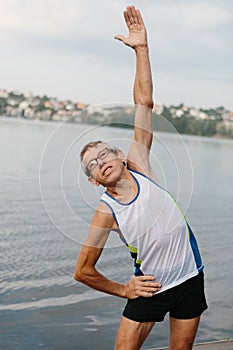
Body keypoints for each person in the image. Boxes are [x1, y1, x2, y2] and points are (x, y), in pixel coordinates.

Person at [73, 6, 207, 350]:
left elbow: (144, 102)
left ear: (120, 155)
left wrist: (142, 49)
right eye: (92, 165)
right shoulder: (107, 211)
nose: (100, 162)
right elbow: (83, 270)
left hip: (190, 278)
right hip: (151, 287)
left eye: (105, 153)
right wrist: (124, 289)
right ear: (94, 181)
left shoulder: (140, 166)